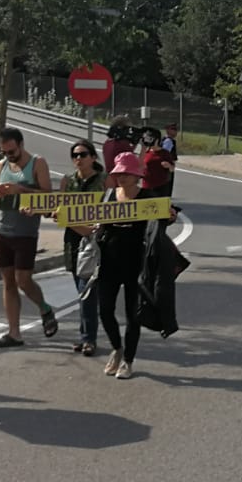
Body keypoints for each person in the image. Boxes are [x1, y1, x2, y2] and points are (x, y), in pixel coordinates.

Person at [0, 127, 58, 349]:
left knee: (24, 280)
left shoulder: (38, 163)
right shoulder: (1, 166)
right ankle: (14, 333)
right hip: (2, 231)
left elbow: (48, 198)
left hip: (25, 233)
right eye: (5, 152)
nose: (9, 156)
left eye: (12, 151)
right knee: (8, 282)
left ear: (21, 144)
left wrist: (20, 190)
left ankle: (45, 308)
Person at [96, 152, 149, 379]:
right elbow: (91, 222)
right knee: (105, 310)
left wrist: (171, 215)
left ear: (136, 175)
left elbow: (162, 218)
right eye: (119, 173)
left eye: (126, 173)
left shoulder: (147, 197)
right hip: (109, 262)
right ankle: (117, 348)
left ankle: (128, 360)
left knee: (132, 315)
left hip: (135, 264)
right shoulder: (109, 196)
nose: (122, 177)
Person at [61, 142, 105, 356]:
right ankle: (85, 335)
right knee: (82, 291)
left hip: (96, 240)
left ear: (93, 157)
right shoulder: (68, 182)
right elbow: (55, 207)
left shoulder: (105, 182)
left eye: (83, 154)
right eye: (75, 155)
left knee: (86, 291)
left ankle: (89, 339)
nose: (78, 158)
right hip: (73, 241)